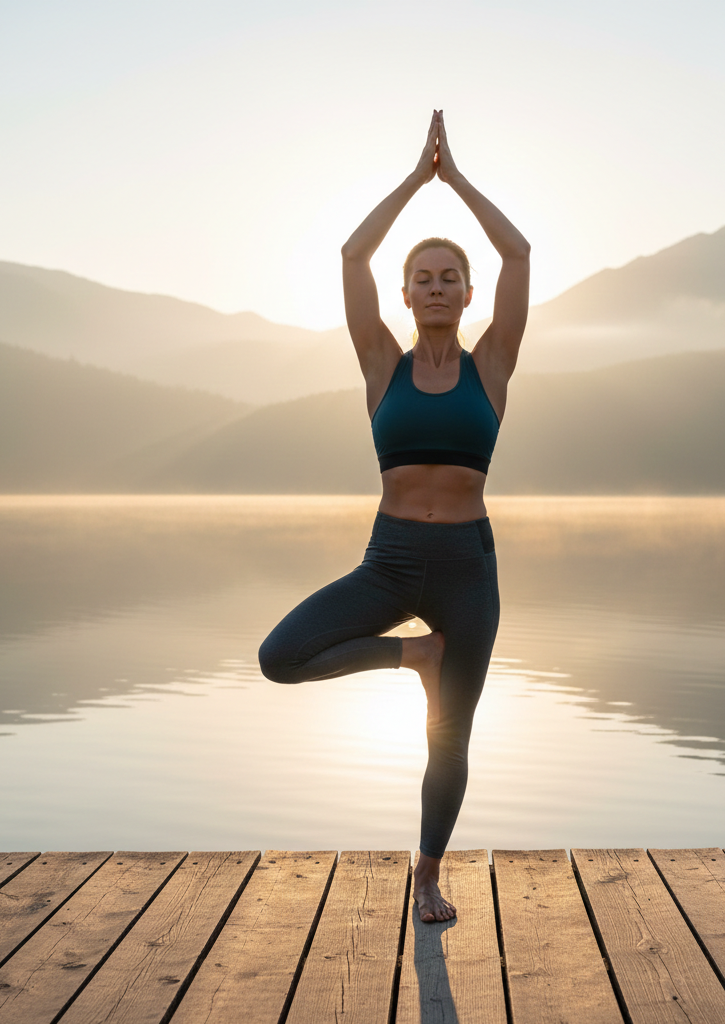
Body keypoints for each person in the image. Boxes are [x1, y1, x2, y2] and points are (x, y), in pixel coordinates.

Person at [259, 110, 529, 922]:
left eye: (451, 276)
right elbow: (351, 255)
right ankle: (409, 656)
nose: (438, 286)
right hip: (391, 559)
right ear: (407, 295)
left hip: (469, 569)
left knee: (451, 738)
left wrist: (459, 180)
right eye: (425, 277)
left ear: (468, 293)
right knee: (281, 656)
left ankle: (428, 875)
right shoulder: (383, 364)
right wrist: (416, 179)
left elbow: (518, 252)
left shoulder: (494, 365)